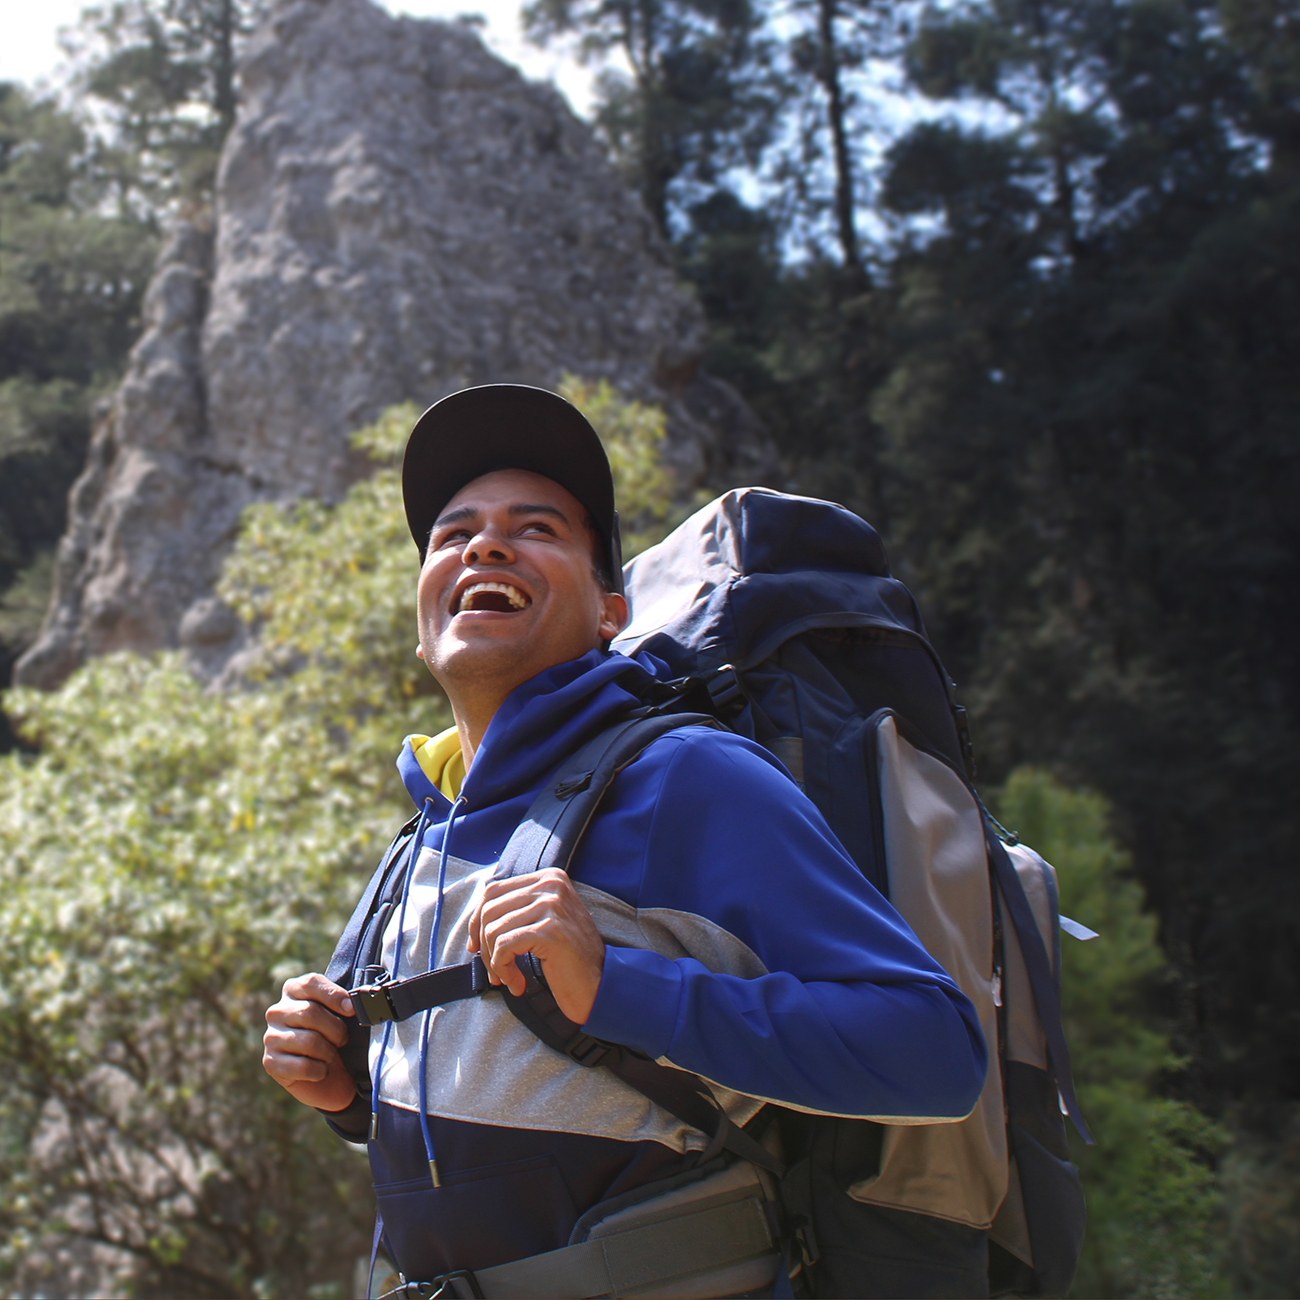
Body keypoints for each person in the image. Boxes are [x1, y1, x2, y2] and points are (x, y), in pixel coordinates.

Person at [262, 384, 987, 1296]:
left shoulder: (688, 777)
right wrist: (346, 1091)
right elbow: (515, 1099)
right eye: (453, 535)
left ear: (612, 614)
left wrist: (616, 986)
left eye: (537, 529)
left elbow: (936, 1054)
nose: (485, 544)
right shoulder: (423, 837)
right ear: (424, 625)